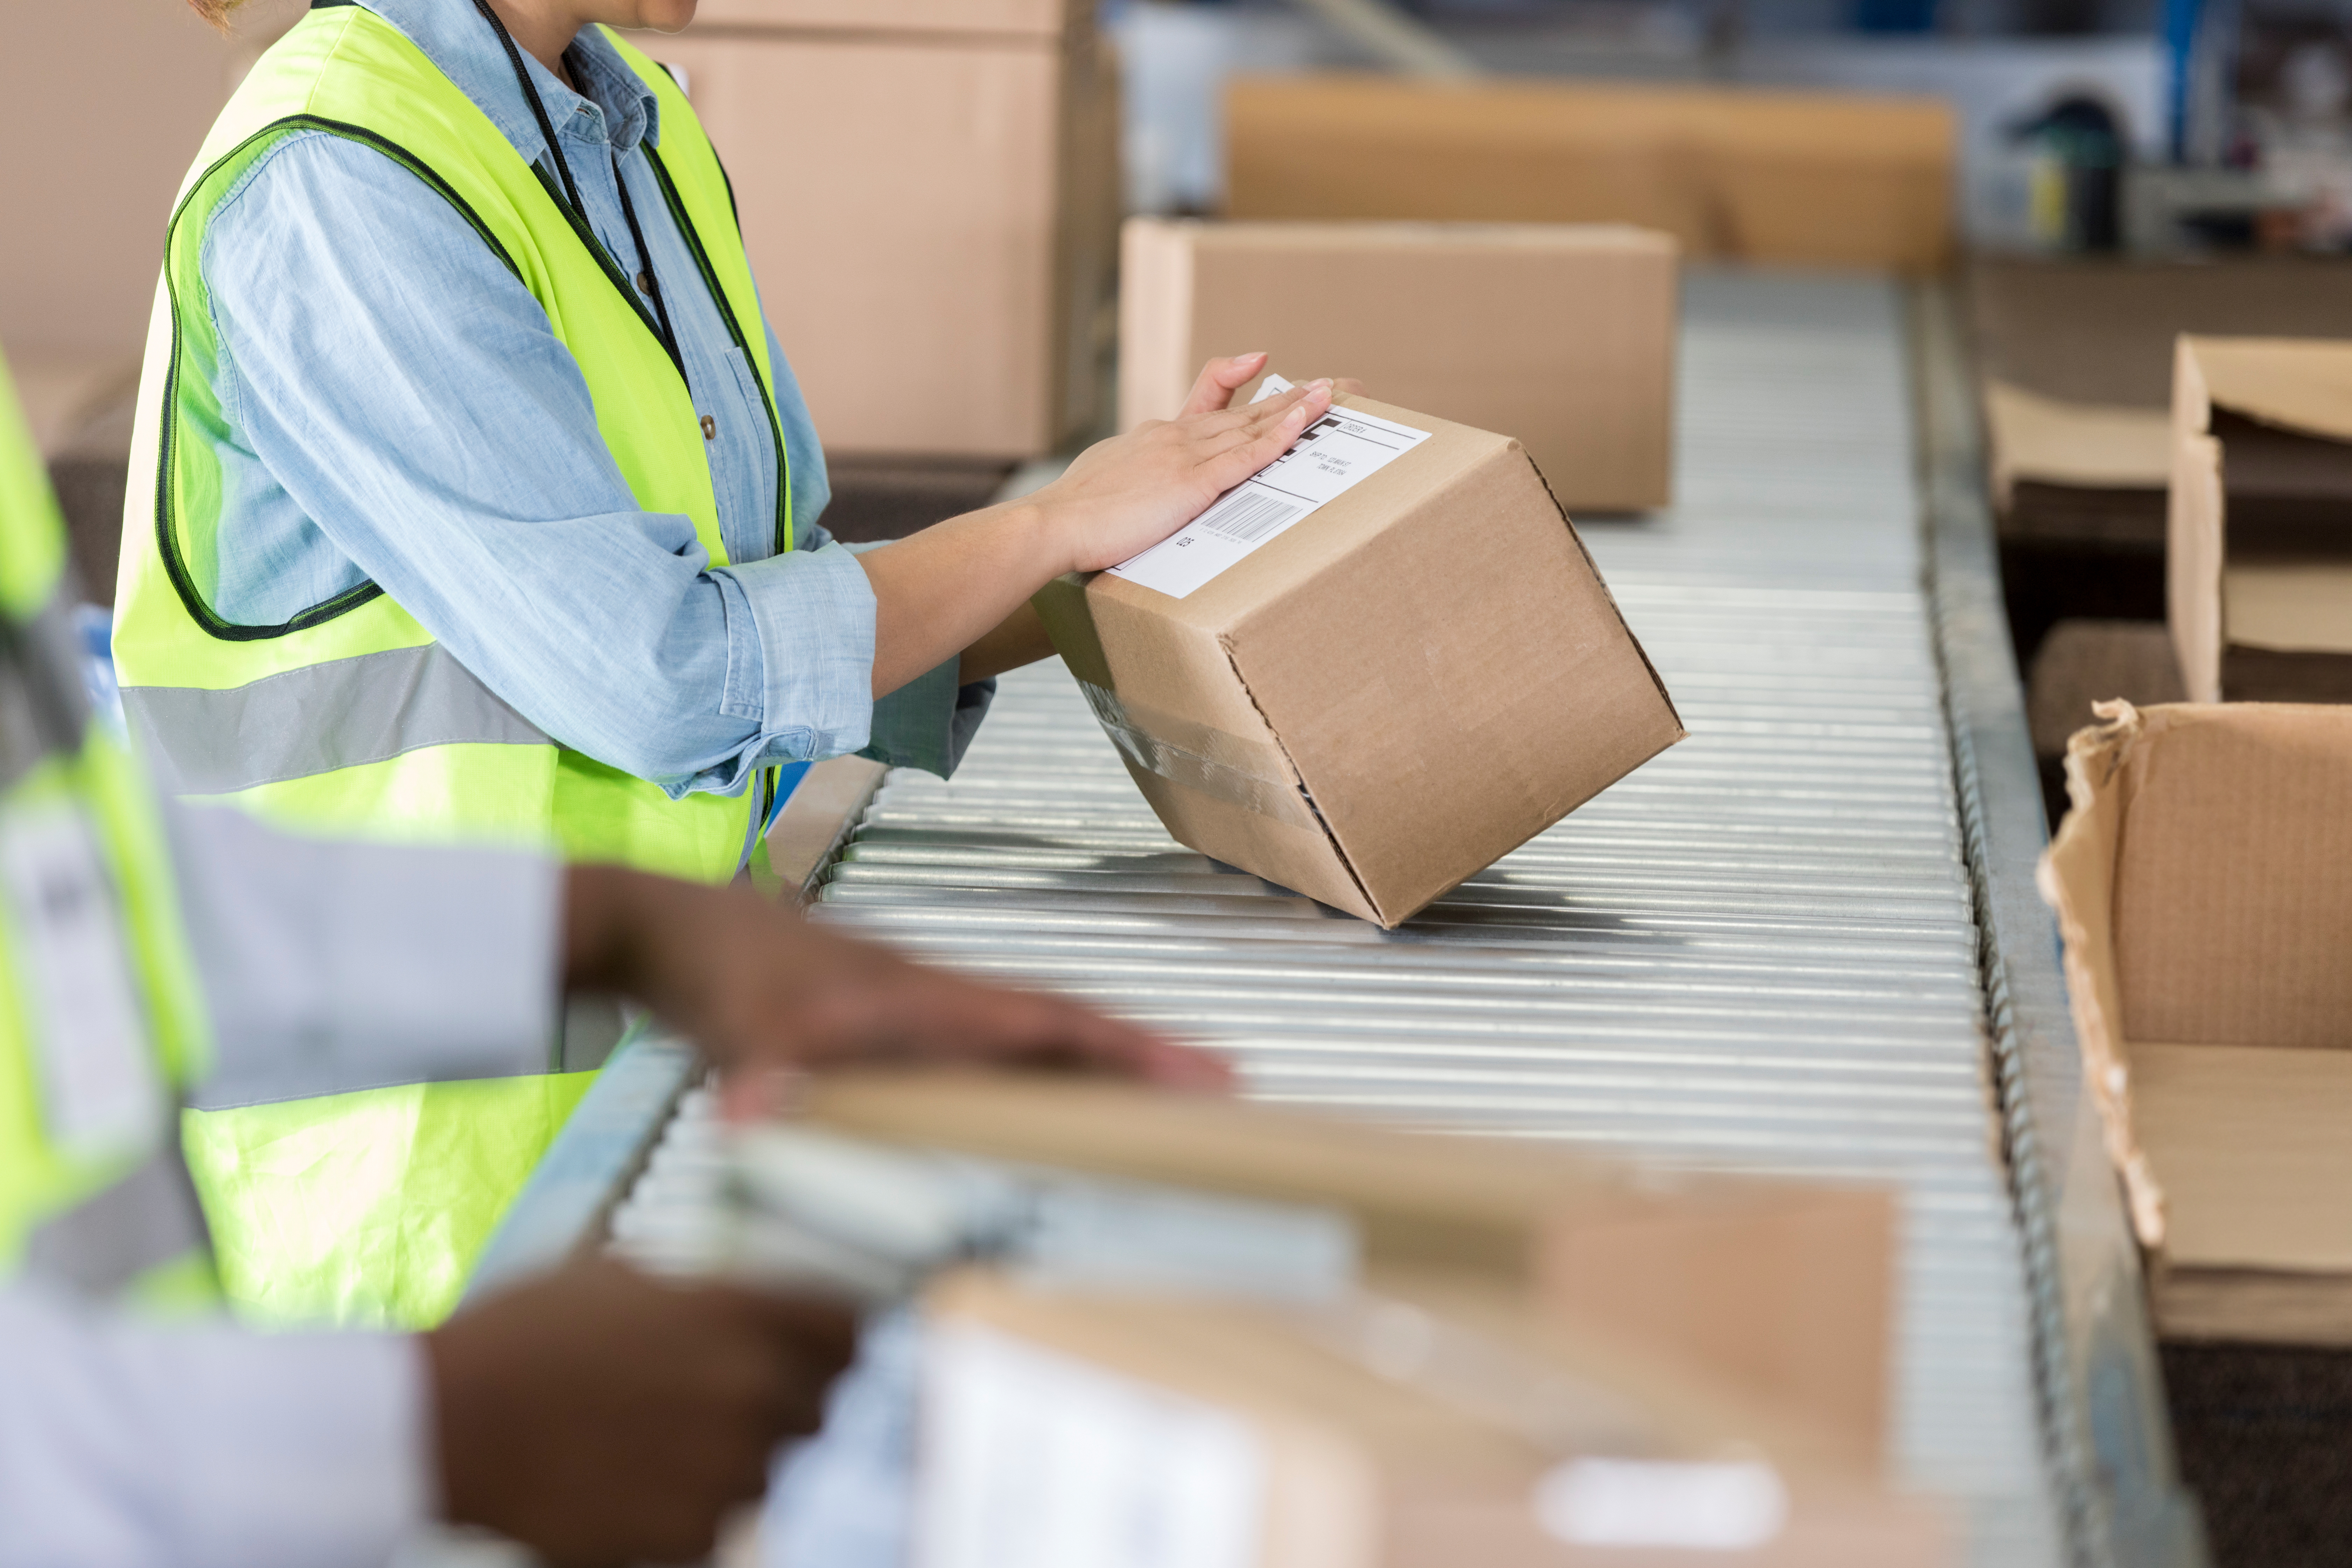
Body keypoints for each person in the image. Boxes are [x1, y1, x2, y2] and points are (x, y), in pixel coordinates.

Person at [116, 0, 1328, 1327]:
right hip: (424, 1190)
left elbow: (773, 601)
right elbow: (673, 677)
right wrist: (1045, 526)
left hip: (645, 1101)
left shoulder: (627, 119)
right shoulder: (336, 179)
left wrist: (1132, 549)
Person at [0, 347, 1225, 1564]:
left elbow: (71, 894)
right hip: (382, 1268)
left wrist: (621, 929)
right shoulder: (344, 177)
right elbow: (672, 673)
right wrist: (411, 1427)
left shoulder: (626, 158)